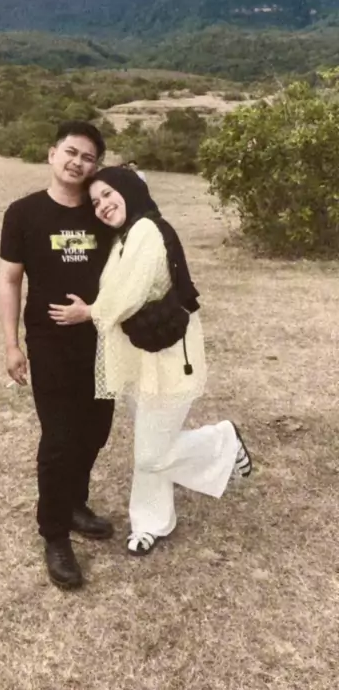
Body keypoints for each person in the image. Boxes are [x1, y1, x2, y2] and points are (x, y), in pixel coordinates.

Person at [49, 167, 252, 557]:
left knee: (150, 453)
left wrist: (89, 312)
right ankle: (151, 522)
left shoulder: (147, 230)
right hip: (139, 355)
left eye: (108, 194)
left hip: (169, 358)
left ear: (128, 190)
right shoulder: (123, 238)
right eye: (95, 202)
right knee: (151, 440)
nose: (102, 205)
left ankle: (223, 441)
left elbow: (130, 292)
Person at [0, 121, 115, 590]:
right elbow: (11, 280)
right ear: (52, 154)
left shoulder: (102, 212)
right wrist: (12, 344)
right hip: (50, 344)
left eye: (88, 157)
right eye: (71, 152)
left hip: (103, 340)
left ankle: (74, 502)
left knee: (96, 431)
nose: (77, 162)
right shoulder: (23, 213)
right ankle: (55, 533)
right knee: (59, 438)